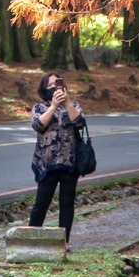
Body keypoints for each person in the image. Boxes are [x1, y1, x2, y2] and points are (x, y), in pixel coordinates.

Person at [30, 72, 86, 258]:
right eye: (50, 85)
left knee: (67, 203)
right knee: (41, 203)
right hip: (47, 163)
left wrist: (67, 103)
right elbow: (38, 126)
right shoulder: (39, 107)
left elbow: (79, 123)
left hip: (69, 162)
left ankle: (64, 242)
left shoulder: (73, 105)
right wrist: (54, 106)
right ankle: (31, 239)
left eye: (58, 83)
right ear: (44, 89)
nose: (55, 87)